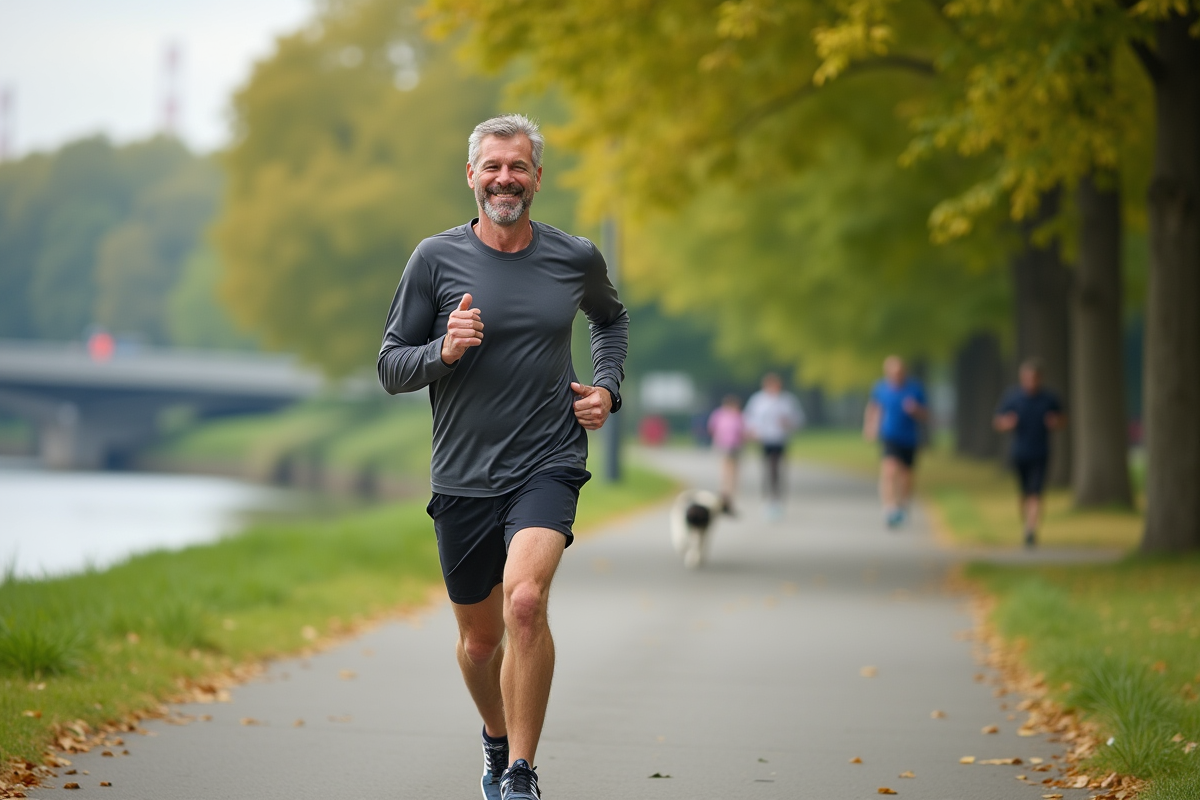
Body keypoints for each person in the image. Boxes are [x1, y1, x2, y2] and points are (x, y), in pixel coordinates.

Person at [377, 114, 628, 800]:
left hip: (547, 459)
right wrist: (444, 349)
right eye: (492, 166)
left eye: (517, 166)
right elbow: (390, 366)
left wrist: (606, 388)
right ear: (471, 176)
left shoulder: (573, 258)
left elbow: (610, 318)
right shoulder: (434, 259)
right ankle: (494, 739)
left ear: (537, 178)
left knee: (524, 604)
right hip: (461, 474)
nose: (504, 179)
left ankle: (521, 772)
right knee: (481, 644)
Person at [993, 358, 1066, 548]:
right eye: (1027, 378)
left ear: (1040, 378)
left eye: (1034, 378)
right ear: (1022, 378)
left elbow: (1063, 419)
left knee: (1036, 493)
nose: (1031, 382)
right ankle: (1027, 524)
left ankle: (1031, 530)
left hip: (1041, 452)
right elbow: (997, 421)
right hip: (1019, 453)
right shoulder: (1013, 397)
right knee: (1024, 494)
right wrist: (1007, 423)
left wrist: (1055, 422)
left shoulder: (1049, 398)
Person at [863, 356, 928, 528]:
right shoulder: (881, 388)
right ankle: (889, 508)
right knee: (889, 470)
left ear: (904, 372)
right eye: (892, 372)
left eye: (898, 372)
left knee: (907, 475)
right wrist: (870, 427)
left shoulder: (915, 389)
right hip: (889, 435)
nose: (895, 375)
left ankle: (903, 506)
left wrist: (916, 409)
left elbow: (926, 414)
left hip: (909, 437)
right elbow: (874, 408)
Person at [743, 374, 805, 519]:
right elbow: (749, 418)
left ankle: (776, 498)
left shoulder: (787, 400)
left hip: (780, 438)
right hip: (764, 438)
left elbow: (798, 418)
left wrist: (789, 423)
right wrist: (751, 431)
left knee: (776, 468)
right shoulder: (758, 399)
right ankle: (768, 498)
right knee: (767, 468)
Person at [707, 395, 745, 507]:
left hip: (735, 445)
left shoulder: (737, 415)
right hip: (723, 444)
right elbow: (712, 428)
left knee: (733, 468)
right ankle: (725, 489)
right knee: (726, 466)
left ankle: (731, 489)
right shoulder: (720, 414)